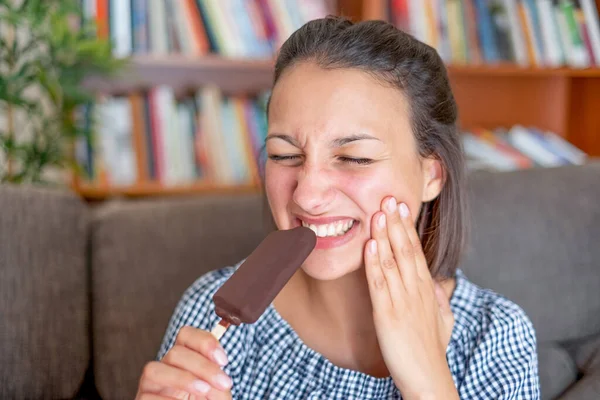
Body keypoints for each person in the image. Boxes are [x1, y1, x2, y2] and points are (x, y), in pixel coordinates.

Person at [135, 16, 540, 400]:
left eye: (355, 158)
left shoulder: (495, 337)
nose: (306, 195)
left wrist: (429, 383)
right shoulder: (211, 315)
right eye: (284, 154)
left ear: (431, 175)